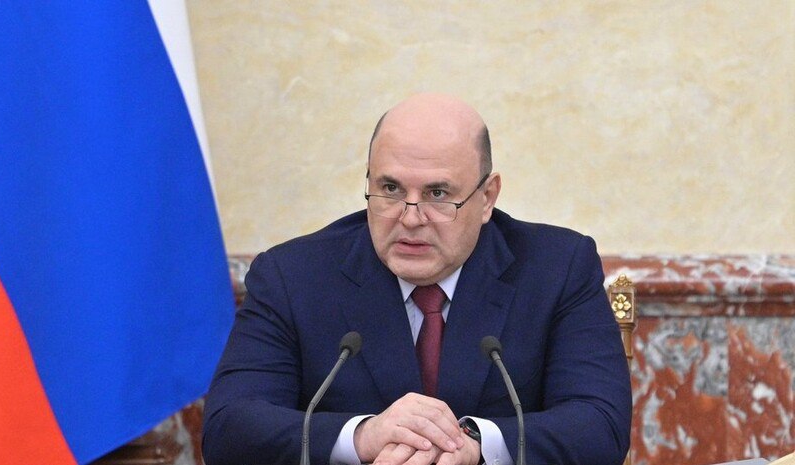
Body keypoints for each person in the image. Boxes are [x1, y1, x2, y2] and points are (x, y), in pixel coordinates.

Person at [202, 93, 632, 465]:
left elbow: (600, 426)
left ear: (487, 198)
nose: (410, 218)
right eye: (390, 189)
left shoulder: (557, 268)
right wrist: (363, 436)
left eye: (437, 194)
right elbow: (228, 428)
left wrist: (473, 443)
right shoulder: (293, 276)